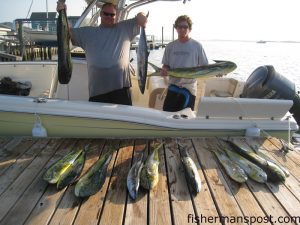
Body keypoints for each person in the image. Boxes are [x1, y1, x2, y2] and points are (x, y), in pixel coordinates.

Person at [56, 2, 147, 105]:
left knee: (122, 120)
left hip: (122, 88)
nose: (109, 16)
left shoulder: (125, 28)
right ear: (100, 14)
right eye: (106, 14)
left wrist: (142, 16)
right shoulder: (88, 33)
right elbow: (67, 32)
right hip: (97, 92)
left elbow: (141, 18)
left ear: (116, 15)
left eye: (112, 14)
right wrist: (62, 11)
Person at [161, 15, 208, 112]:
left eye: (185, 27)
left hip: (189, 89)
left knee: (185, 118)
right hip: (173, 87)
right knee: (166, 115)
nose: (182, 29)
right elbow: (166, 65)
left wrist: (218, 71)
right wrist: (164, 69)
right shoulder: (170, 46)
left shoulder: (197, 46)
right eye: (180, 27)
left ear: (190, 29)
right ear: (176, 28)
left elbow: (205, 67)